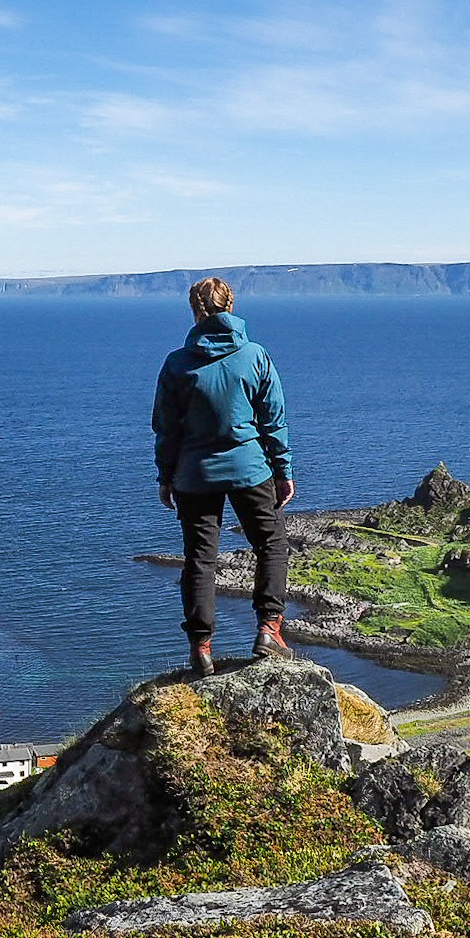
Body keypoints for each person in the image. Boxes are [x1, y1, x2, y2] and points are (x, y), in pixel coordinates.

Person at [152, 277, 295, 677]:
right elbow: (273, 420)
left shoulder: (177, 363)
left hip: (194, 475)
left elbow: (166, 427)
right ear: (231, 305)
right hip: (250, 468)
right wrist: (283, 470)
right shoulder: (255, 356)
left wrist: (165, 476)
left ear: (195, 310)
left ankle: (201, 646)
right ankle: (269, 630)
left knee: (200, 559)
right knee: (271, 544)